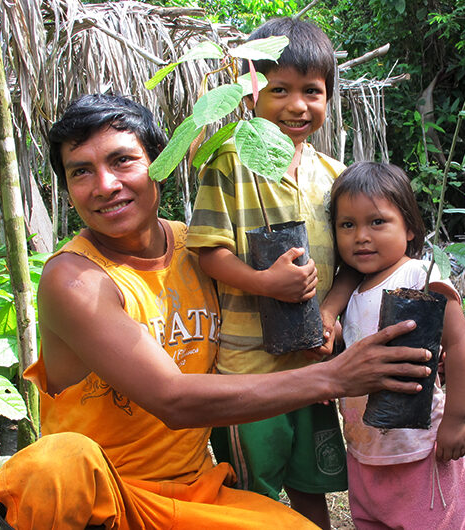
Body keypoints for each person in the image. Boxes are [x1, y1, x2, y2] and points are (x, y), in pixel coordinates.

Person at [0, 94, 434, 530]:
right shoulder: (74, 280)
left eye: (122, 161)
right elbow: (172, 399)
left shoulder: (201, 251)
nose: (105, 185)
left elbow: (356, 269)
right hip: (104, 501)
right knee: (57, 462)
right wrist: (336, 377)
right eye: (81, 172)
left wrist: (411, 347)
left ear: (159, 165)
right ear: (68, 190)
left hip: (191, 494)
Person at [186, 17, 357, 528]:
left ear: (328, 98)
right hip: (247, 371)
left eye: (312, 91)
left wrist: (328, 313)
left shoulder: (334, 176)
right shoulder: (229, 163)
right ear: (249, 96)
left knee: (311, 487)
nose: (297, 105)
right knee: (252, 497)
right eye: (279, 89)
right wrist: (265, 284)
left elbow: (351, 265)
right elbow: (207, 251)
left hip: (313, 367)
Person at [330, 162, 465, 529]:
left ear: (409, 227)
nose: (361, 236)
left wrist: (456, 421)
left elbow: (458, 347)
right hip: (365, 449)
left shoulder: (418, 276)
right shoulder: (351, 292)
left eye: (377, 222)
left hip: (421, 448)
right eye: (348, 225)